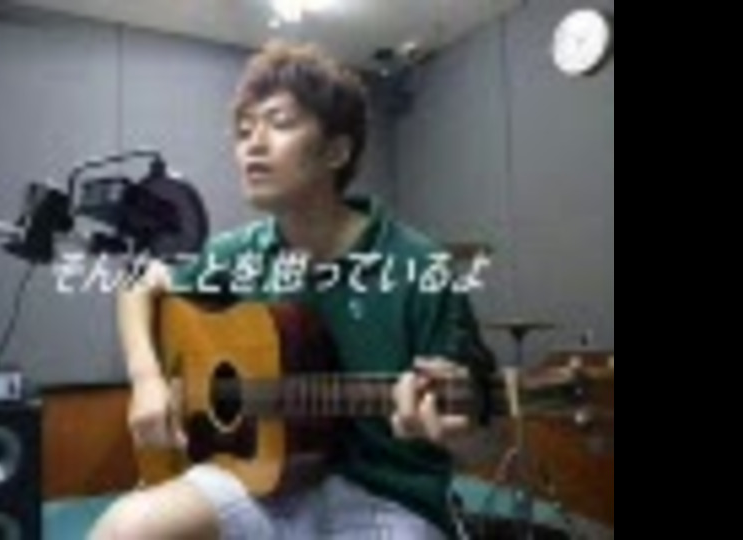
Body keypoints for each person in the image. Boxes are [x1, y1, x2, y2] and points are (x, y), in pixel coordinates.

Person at [90, 40, 496, 540]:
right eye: (244, 131)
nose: (252, 145)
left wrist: (460, 429)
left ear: (336, 151)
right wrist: (147, 380)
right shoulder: (239, 253)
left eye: (279, 123)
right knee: (125, 528)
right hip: (259, 480)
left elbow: (485, 443)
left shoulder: (420, 266)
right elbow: (137, 280)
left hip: (388, 500)